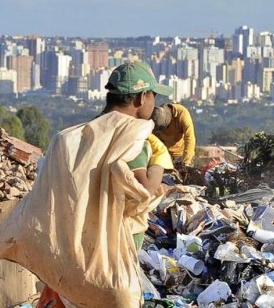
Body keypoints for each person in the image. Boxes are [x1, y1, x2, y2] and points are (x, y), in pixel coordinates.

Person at [31, 61, 174, 308]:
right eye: (154, 95)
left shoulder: (77, 136)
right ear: (141, 98)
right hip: (112, 254)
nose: (155, 102)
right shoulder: (132, 138)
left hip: (73, 246)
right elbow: (144, 191)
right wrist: (160, 159)